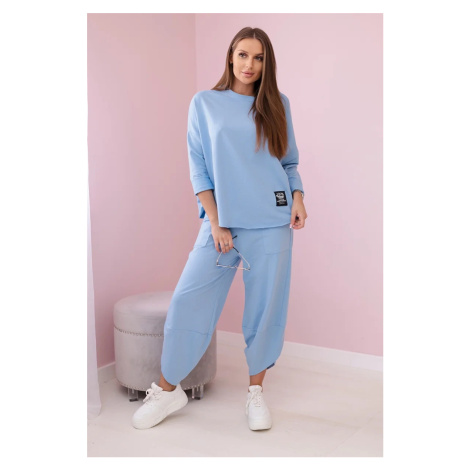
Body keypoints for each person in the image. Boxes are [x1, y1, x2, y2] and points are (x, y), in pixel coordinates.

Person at [132, 26, 308, 431]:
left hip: (272, 220)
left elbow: (288, 162)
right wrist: (215, 222)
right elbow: (199, 168)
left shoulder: (277, 103)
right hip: (223, 224)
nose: (250, 65)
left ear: (267, 63)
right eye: (243, 55)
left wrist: (297, 197)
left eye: (259, 58)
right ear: (230, 56)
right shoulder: (204, 103)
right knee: (189, 301)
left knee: (265, 309)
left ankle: (256, 392)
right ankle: (168, 389)